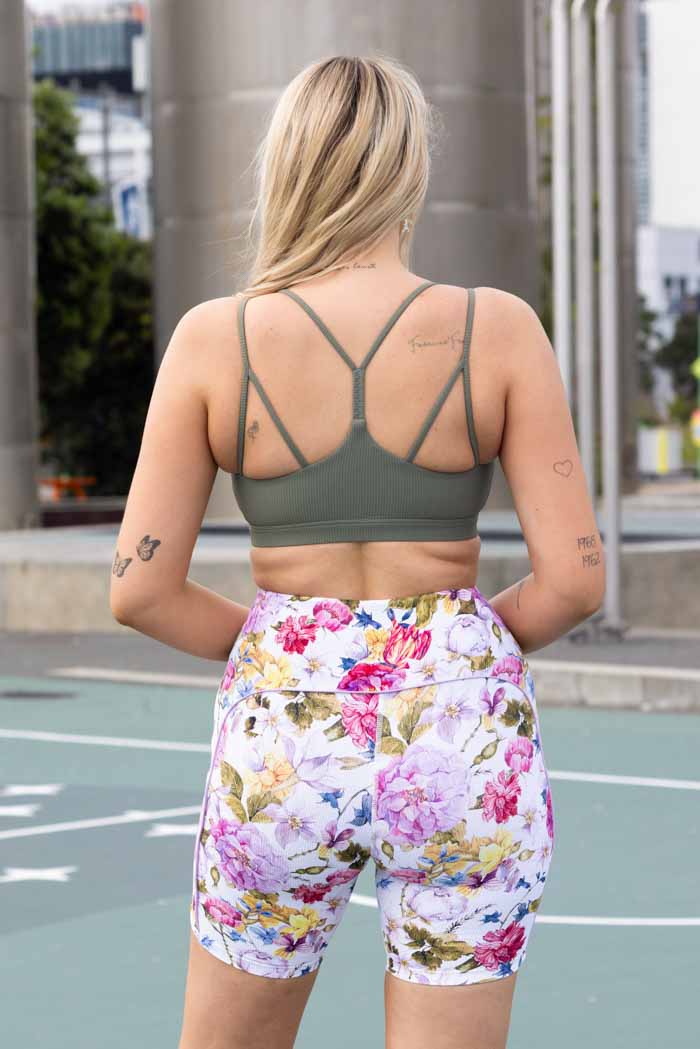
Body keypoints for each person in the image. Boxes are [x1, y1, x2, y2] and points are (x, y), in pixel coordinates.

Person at [110, 53, 605, 1049]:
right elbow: (575, 579)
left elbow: (140, 588)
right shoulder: (498, 329)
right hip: (462, 735)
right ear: (408, 167)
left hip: (281, 734)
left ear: (286, 165)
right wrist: (451, 646)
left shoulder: (214, 340)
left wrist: (292, 649)